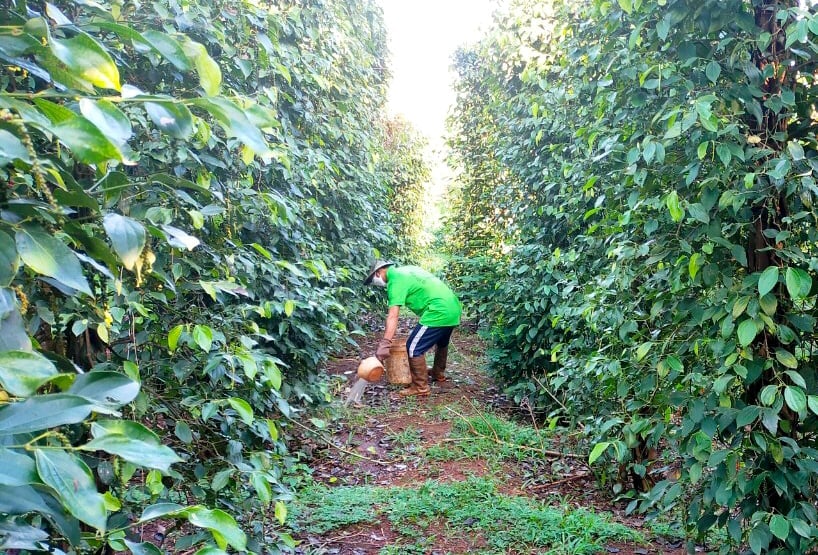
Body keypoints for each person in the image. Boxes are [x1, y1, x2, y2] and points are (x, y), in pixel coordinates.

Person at [363, 260, 462, 397]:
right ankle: (438, 373)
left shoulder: (395, 281)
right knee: (442, 341)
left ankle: (420, 387)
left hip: (438, 311)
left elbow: (393, 316)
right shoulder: (409, 269)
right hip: (453, 307)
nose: (376, 282)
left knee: (413, 347)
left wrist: (385, 343)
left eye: (373, 279)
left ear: (379, 272)